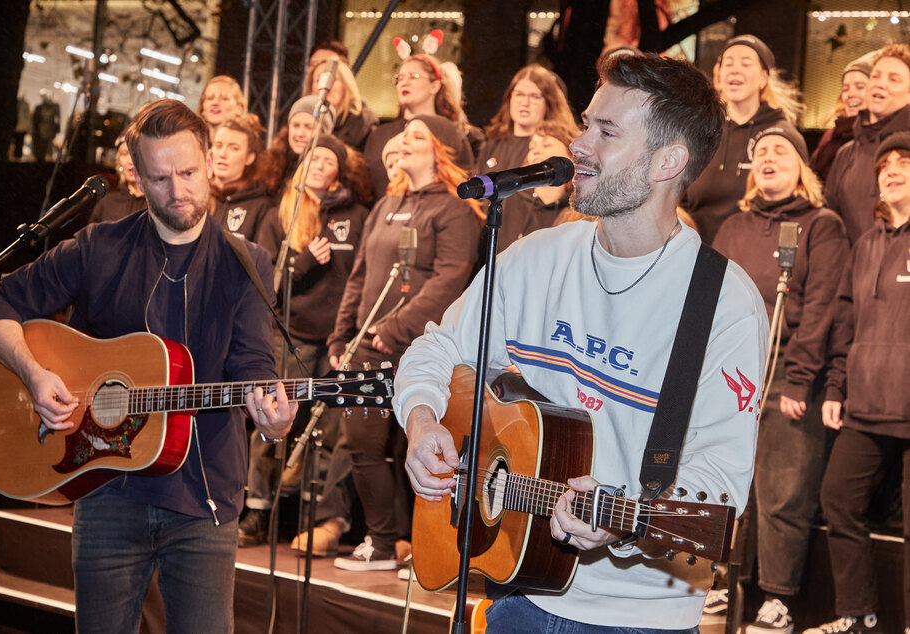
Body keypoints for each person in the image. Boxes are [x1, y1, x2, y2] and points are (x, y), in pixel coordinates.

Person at [395, 53, 768, 632]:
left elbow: (718, 488)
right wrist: (422, 422)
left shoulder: (723, 304)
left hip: (640, 616)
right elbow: (436, 350)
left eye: (607, 131)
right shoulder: (537, 257)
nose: (579, 144)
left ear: (668, 161)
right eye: (587, 124)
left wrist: (622, 521)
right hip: (516, 591)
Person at [0, 99, 296, 632]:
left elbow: (254, 364)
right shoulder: (98, 247)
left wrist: (272, 416)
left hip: (204, 495)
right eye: (161, 177)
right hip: (105, 490)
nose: (179, 191)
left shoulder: (248, 263)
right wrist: (33, 372)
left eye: (189, 172)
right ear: (138, 178)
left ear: (210, 160)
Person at [324, 114, 482, 570]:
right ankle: (383, 540)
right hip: (368, 345)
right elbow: (360, 275)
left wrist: (393, 328)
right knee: (363, 444)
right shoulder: (386, 203)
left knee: (412, 451)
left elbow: (450, 278)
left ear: (441, 150)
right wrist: (343, 333)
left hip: (417, 346)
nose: (403, 142)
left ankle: (422, 548)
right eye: (404, 135)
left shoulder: (453, 207)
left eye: (417, 136)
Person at [712, 123, 849, 634]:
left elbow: (821, 308)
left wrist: (799, 378)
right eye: (762, 151)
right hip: (731, 383)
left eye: (781, 151)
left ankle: (777, 598)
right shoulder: (733, 227)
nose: (769, 157)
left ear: (802, 169)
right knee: (726, 487)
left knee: (782, 494)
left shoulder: (821, 225)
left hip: (791, 382)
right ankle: (722, 583)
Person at [239, 135, 370, 546]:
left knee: (326, 432)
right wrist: (304, 261)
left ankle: (313, 518)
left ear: (338, 171)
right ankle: (256, 512)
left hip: (334, 339)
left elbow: (359, 277)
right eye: (314, 157)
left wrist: (345, 334)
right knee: (272, 419)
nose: (319, 165)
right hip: (289, 335)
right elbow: (266, 279)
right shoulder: (282, 210)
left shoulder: (357, 213)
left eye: (329, 160)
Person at [806, 132, 910, 634]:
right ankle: (857, 616)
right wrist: (836, 389)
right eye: (885, 164)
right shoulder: (867, 243)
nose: (891, 170)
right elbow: (844, 321)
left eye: (903, 163)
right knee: (838, 500)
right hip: (866, 402)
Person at [680, 34, 803, 243]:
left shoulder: (781, 135)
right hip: (694, 251)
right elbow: (673, 193)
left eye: (746, 64)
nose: (735, 69)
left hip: (754, 253)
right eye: (728, 63)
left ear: (764, 77)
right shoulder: (700, 130)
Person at [824, 44, 910, 245]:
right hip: (853, 271)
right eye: (876, 76)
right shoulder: (845, 154)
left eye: (894, 79)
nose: (880, 84)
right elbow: (831, 225)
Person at [362, 54, 475, 200]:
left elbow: (465, 185)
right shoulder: (380, 135)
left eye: (413, 76)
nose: (404, 83)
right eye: (400, 78)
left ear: (434, 86)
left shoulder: (450, 134)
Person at [495, 119, 581, 252]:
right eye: (532, 147)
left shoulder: (579, 211)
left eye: (546, 145)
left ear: (570, 156)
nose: (536, 151)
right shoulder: (509, 201)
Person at [477, 64, 577, 175]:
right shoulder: (493, 143)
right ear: (510, 98)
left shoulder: (551, 147)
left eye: (535, 96)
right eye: (519, 95)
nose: (525, 103)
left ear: (549, 103)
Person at [209, 113, 274, 243]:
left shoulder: (261, 206)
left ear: (249, 158)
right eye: (218, 145)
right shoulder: (196, 194)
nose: (222, 154)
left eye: (234, 148)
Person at [810, 55, 873, 183]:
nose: (850, 94)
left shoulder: (878, 136)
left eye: (860, 87)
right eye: (845, 89)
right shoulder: (830, 137)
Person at [265, 95, 337, 196]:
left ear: (325, 133)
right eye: (296, 125)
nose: (300, 133)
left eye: (309, 127)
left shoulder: (333, 170)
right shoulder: (273, 162)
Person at [304, 58, 378, 152]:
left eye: (332, 79)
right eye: (319, 80)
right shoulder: (304, 122)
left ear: (346, 84)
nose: (326, 85)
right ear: (311, 89)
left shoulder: (363, 125)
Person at [89, 135, 146, 223]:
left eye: (135, 153)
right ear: (119, 160)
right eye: (124, 153)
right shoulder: (107, 203)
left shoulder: (157, 204)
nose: (130, 161)